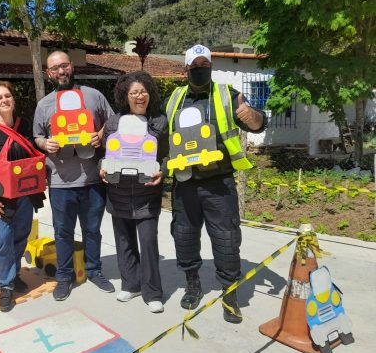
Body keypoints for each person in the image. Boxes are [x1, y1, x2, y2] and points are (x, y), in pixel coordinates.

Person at [165, 44, 266, 324]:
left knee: (226, 240)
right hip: (185, 183)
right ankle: (193, 284)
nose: (200, 69)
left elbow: (257, 123)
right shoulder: (174, 99)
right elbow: (159, 131)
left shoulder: (227, 95)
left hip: (218, 184)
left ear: (210, 67)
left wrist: (253, 117)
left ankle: (229, 294)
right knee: (184, 237)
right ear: (186, 69)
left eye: (204, 64)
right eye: (195, 65)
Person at [33, 50, 114, 301]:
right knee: (62, 233)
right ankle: (64, 277)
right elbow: (37, 136)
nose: (61, 71)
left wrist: (100, 135)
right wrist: (45, 144)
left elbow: (112, 123)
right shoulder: (44, 105)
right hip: (60, 182)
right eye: (55, 68)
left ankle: (95, 270)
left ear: (72, 66)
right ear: (48, 73)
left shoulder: (94, 96)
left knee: (93, 230)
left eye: (64, 65)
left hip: (92, 180)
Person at [0, 81, 45, 312]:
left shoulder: (25, 126)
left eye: (7, 96)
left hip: (25, 194)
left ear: (13, 99)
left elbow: (34, 154)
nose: (4, 100)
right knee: (3, 239)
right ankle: (5, 286)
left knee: (21, 236)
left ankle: (13, 275)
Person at [100, 71, 168, 313]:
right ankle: (131, 284)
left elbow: (167, 154)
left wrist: (163, 170)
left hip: (146, 194)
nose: (140, 96)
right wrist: (102, 168)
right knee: (124, 242)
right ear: (125, 96)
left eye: (143, 91)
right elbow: (105, 154)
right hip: (118, 193)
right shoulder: (113, 123)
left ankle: (153, 293)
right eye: (134, 93)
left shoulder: (159, 121)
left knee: (148, 243)